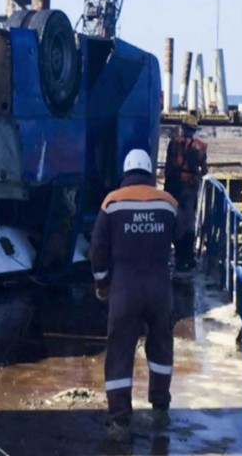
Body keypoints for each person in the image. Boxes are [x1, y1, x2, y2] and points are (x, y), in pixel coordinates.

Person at [90, 149, 178, 442]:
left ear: (126, 171)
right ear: (150, 171)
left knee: (119, 351)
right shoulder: (168, 204)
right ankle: (160, 407)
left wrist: (102, 282)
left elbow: (97, 248)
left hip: (124, 289)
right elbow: (181, 238)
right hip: (159, 287)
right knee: (161, 346)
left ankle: (119, 421)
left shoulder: (111, 202)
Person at [164, 114, 208, 275]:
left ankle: (173, 253)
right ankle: (186, 258)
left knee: (172, 220)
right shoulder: (200, 147)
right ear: (194, 130)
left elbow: (168, 163)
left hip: (172, 186)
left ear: (183, 128)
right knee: (188, 222)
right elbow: (204, 170)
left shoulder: (173, 143)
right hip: (189, 188)